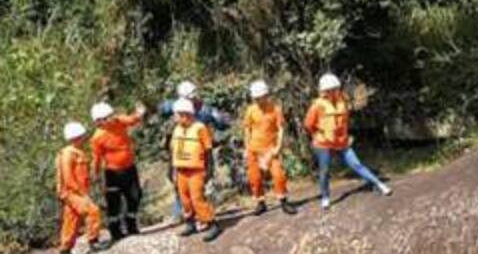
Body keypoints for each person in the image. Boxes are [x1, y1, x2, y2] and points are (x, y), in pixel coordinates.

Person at [304, 74, 392, 210]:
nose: (333, 92)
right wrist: (317, 136)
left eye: (335, 88)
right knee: (325, 171)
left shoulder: (343, 101)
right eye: (329, 90)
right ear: (323, 91)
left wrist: (347, 135)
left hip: (341, 141)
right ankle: (325, 197)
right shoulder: (317, 106)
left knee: (356, 164)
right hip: (323, 143)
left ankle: (379, 184)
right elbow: (308, 124)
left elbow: (344, 121)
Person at [158, 81, 230, 222]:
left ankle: (204, 216)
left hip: (200, 153)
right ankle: (183, 213)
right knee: (179, 183)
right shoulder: (176, 106)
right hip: (179, 151)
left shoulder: (205, 110)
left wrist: (223, 121)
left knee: (200, 185)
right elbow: (161, 109)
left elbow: (222, 123)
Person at [90, 101, 146, 242]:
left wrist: (139, 112)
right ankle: (115, 231)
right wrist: (95, 175)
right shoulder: (97, 137)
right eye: (108, 117)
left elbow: (132, 119)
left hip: (129, 168)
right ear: (99, 121)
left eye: (111, 115)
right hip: (112, 173)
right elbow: (96, 158)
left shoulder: (119, 121)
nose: (112, 118)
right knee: (114, 202)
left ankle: (131, 225)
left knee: (135, 195)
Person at [56, 121, 111, 254]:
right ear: (76, 137)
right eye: (82, 136)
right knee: (93, 211)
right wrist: (81, 193)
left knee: (71, 221)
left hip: (76, 191)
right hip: (72, 192)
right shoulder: (68, 154)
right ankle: (93, 241)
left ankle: (65, 252)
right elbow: (68, 178)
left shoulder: (77, 152)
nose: (85, 138)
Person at [170, 98, 221, 242]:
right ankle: (190, 223)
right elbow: (172, 150)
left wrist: (209, 169)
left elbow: (208, 150)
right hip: (180, 170)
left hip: (196, 170)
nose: (175, 118)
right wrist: (171, 170)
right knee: (184, 199)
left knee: (197, 198)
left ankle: (211, 223)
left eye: (177, 115)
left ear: (186, 114)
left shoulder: (200, 128)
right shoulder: (177, 129)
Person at [242, 80, 296, 216]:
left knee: (278, 175)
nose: (259, 100)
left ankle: (284, 201)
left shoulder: (275, 109)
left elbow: (281, 128)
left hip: (270, 149)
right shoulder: (251, 110)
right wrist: (246, 147)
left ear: (266, 95)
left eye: (261, 97)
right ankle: (261, 203)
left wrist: (278, 146)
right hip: (253, 149)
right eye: (257, 98)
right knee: (254, 178)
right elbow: (247, 129)